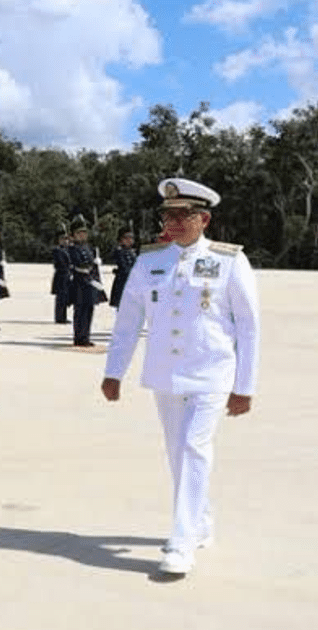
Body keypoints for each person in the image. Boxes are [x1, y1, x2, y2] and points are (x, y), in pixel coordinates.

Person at [102, 177, 260, 576]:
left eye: (181, 215)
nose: (171, 222)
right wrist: (113, 371)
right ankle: (201, 520)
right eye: (167, 215)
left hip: (211, 372)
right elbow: (128, 320)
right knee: (178, 452)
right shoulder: (150, 260)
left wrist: (245, 386)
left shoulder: (229, 260)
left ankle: (182, 541)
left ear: (203, 218)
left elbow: (248, 326)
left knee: (192, 446)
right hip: (165, 374)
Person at [67, 216, 103, 346]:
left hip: (89, 283)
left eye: (84, 233)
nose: (82, 236)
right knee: (80, 311)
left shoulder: (89, 248)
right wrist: (86, 268)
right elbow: (76, 263)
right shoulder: (72, 248)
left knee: (89, 310)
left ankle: (86, 336)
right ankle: (78, 337)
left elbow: (92, 264)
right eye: (79, 233)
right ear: (73, 236)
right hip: (79, 283)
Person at [109, 228, 137, 309]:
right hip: (122, 284)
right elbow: (124, 267)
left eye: (131, 237)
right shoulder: (119, 251)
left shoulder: (133, 252)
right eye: (126, 237)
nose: (129, 240)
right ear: (120, 240)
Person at [51, 232, 72, 323]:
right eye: (63, 239)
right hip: (61, 276)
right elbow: (61, 263)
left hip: (67, 275)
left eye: (67, 239)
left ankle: (63, 316)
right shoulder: (57, 250)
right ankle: (59, 317)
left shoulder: (68, 250)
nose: (65, 241)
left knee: (66, 297)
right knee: (60, 297)